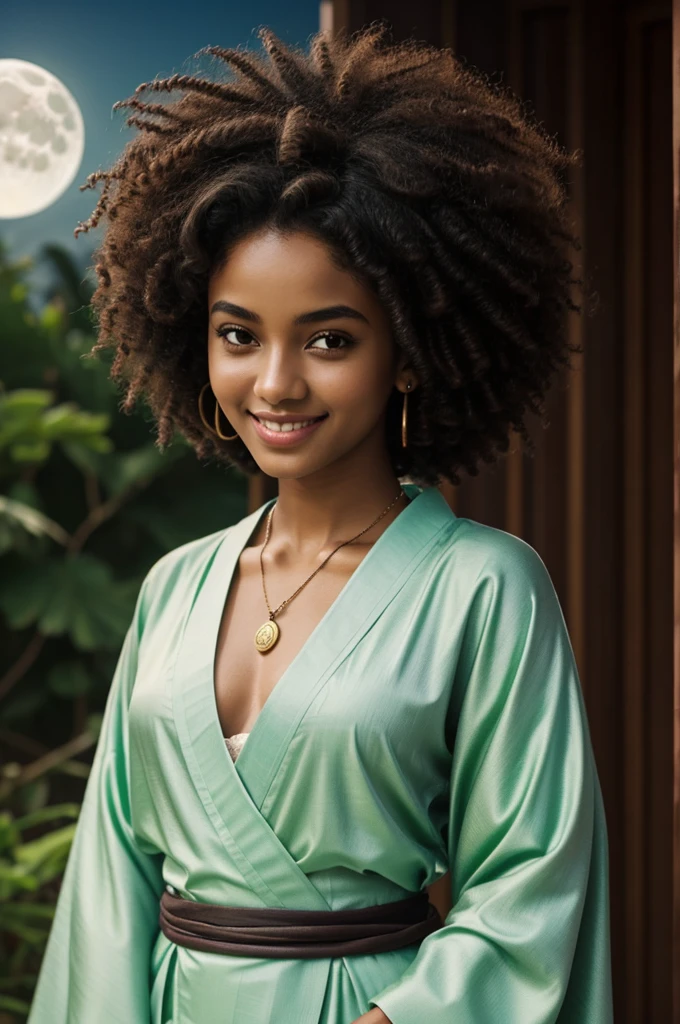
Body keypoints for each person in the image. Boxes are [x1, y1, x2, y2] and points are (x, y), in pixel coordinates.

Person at [27, 21, 613, 1024]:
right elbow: (107, 883)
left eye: (329, 338)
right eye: (237, 335)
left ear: (412, 352)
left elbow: (531, 889)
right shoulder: (175, 583)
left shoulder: (485, 588)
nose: (275, 382)